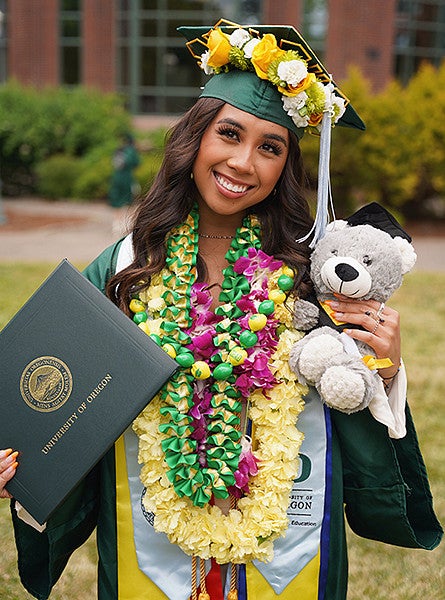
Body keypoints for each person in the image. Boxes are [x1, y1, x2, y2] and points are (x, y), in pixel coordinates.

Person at [1, 20, 442, 600]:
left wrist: (385, 368)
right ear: (195, 139)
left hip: (285, 550)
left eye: (270, 147)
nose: (243, 163)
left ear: (287, 165)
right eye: (229, 134)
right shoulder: (129, 266)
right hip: (150, 546)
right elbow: (57, 393)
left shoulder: (309, 274)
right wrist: (22, 459)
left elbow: (351, 402)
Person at [108, 132, 140, 235]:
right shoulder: (131, 151)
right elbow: (136, 163)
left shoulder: (119, 150)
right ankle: (127, 224)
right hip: (127, 178)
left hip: (116, 177)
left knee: (116, 200)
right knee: (128, 200)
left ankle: (116, 224)